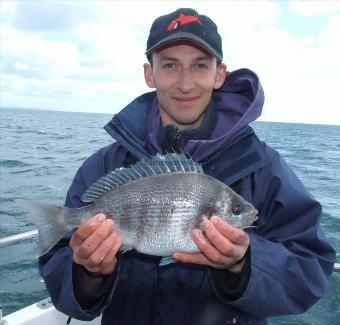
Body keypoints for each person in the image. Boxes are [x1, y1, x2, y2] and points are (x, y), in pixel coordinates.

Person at [39, 8, 335, 325]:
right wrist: (88, 274)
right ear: (149, 73)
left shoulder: (264, 168)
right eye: (170, 65)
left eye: (199, 65)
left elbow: (312, 269)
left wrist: (245, 263)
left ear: (219, 74)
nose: (185, 83)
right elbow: (60, 275)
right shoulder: (103, 165)